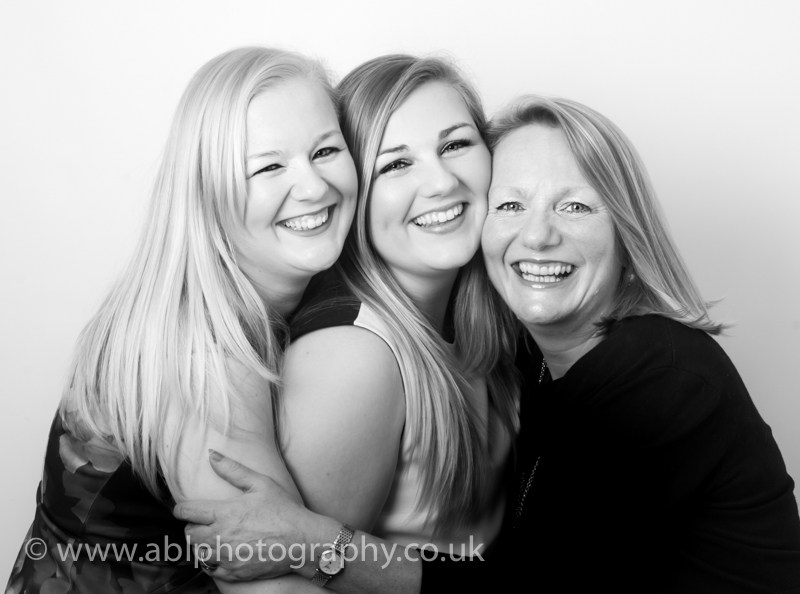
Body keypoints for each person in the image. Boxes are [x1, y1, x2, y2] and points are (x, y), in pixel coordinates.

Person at [175, 94, 800, 593]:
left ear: (627, 232)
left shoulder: (660, 377)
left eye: (576, 207)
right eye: (511, 205)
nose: (539, 236)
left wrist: (317, 544)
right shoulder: (518, 357)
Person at [6, 46, 357, 594]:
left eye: (326, 150)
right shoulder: (208, 357)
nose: (314, 187)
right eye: (268, 166)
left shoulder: (197, 296)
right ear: (208, 191)